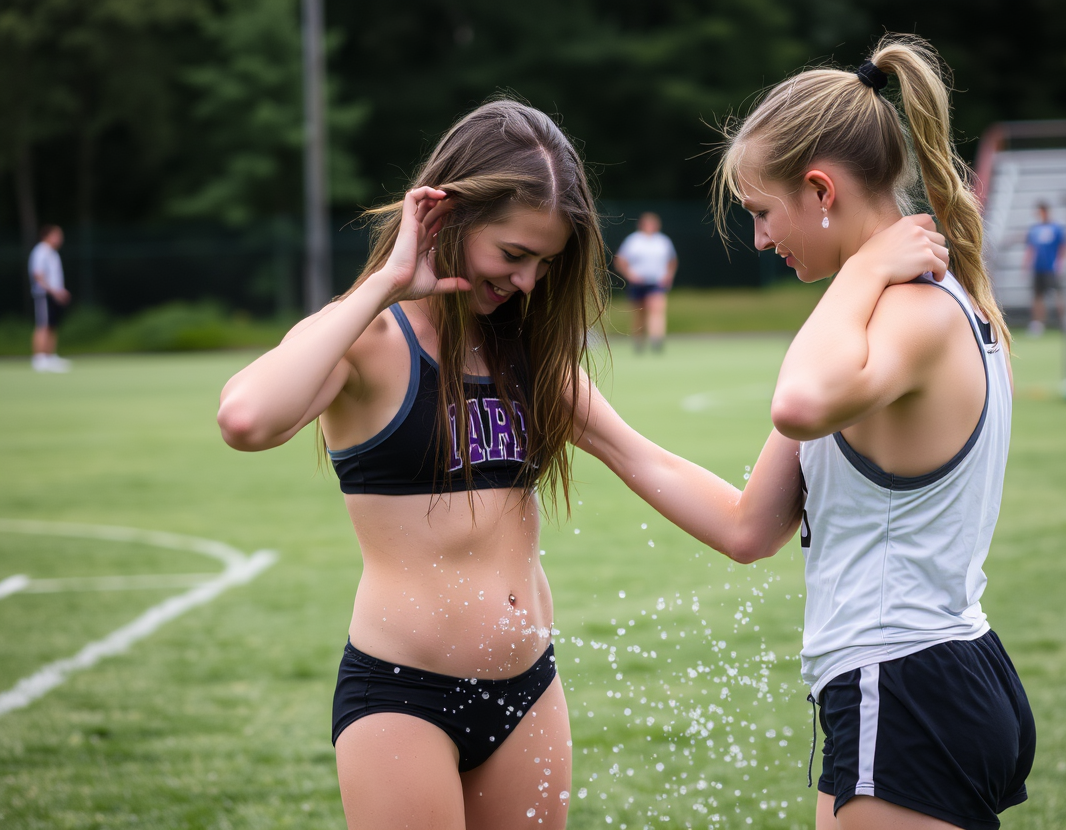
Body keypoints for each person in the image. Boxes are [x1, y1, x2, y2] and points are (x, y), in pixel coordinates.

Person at [216, 98, 940, 830]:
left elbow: (691, 494)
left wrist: (812, 412)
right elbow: (247, 419)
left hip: (527, 693)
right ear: (450, 219)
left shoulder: (530, 358)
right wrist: (383, 283)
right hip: (403, 698)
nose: (529, 281)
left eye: (546, 262)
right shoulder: (372, 338)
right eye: (513, 254)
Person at [584, 34, 1034, 830]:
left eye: (762, 212)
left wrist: (860, 271)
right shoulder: (879, 319)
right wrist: (588, 422)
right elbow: (749, 526)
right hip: (911, 684)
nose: (760, 238)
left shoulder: (911, 311)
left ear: (821, 189)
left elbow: (794, 404)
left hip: (907, 687)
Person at [613, 211, 677, 352]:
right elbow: (620, 260)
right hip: (638, 283)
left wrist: (668, 276)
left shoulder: (663, 241)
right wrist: (630, 275)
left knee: (656, 309)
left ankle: (657, 341)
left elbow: (672, 260)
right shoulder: (634, 240)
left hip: (656, 282)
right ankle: (638, 342)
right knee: (639, 313)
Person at [28, 224, 71, 372]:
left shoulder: (53, 253)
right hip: (44, 294)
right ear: (47, 236)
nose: (60, 238)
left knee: (52, 325)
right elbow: (38, 275)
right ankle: (39, 358)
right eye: (57, 235)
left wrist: (60, 291)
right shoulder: (41, 251)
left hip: (54, 295)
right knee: (43, 325)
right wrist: (53, 291)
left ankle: (49, 356)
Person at [1023, 202, 1066, 336]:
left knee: (1058, 295)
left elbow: (1063, 247)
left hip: (1051, 268)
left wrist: (1061, 263)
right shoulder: (1034, 230)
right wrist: (1026, 264)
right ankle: (1038, 324)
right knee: (1038, 297)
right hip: (1038, 268)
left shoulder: (1056, 228)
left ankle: (1064, 322)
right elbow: (1030, 249)